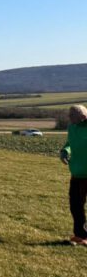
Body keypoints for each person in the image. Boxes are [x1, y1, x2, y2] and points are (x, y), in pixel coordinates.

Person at [59, 104, 87, 245]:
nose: (69, 118)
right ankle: (80, 235)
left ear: (83, 117)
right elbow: (70, 143)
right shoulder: (72, 127)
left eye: (72, 116)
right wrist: (65, 151)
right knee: (75, 205)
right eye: (69, 115)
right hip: (76, 173)